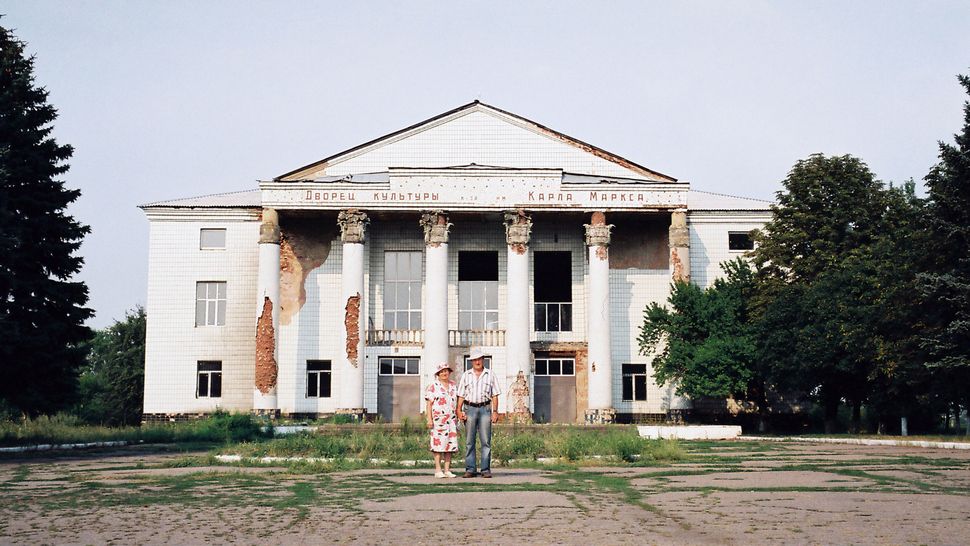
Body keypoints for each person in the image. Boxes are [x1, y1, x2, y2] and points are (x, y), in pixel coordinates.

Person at [456, 348, 501, 478]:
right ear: (471, 361)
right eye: (475, 360)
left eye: (479, 359)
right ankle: (470, 469)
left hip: (485, 409)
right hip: (469, 409)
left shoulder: (490, 374)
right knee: (470, 440)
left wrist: (495, 412)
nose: (477, 362)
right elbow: (461, 395)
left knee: (486, 440)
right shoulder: (466, 375)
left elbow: (495, 395)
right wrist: (458, 410)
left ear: (483, 360)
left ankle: (485, 469)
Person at [425, 361, 459, 478]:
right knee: (438, 444)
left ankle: (447, 470)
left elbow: (458, 401)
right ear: (438, 374)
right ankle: (438, 470)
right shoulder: (433, 386)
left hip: (451, 419)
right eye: (442, 371)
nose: (444, 373)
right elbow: (429, 404)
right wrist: (429, 419)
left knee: (450, 444)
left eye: (446, 371)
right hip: (438, 420)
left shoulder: (454, 385)